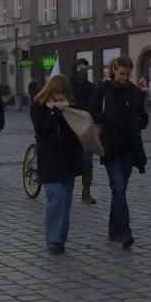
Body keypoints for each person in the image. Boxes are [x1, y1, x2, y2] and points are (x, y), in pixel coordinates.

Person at [89, 56, 148, 249]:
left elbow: (144, 117)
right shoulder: (104, 89)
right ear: (114, 70)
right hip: (111, 146)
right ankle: (125, 231)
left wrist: (139, 123)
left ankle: (113, 229)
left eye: (128, 74)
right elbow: (91, 112)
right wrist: (104, 117)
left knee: (120, 190)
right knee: (118, 188)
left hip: (129, 146)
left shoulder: (135, 92)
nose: (124, 77)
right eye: (122, 73)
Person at [32, 75, 84, 254]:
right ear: (50, 92)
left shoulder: (73, 107)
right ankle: (53, 239)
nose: (60, 97)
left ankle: (60, 239)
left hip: (68, 160)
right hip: (49, 160)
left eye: (63, 93)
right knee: (57, 197)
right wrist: (55, 112)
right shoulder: (39, 107)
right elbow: (42, 129)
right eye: (57, 93)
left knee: (66, 201)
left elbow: (79, 131)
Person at [69, 60, 99, 204]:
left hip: (84, 127)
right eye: (81, 69)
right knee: (68, 159)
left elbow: (92, 107)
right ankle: (67, 190)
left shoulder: (91, 88)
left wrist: (77, 106)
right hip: (68, 126)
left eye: (86, 69)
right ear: (75, 69)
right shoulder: (67, 85)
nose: (83, 72)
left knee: (87, 159)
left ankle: (86, 192)